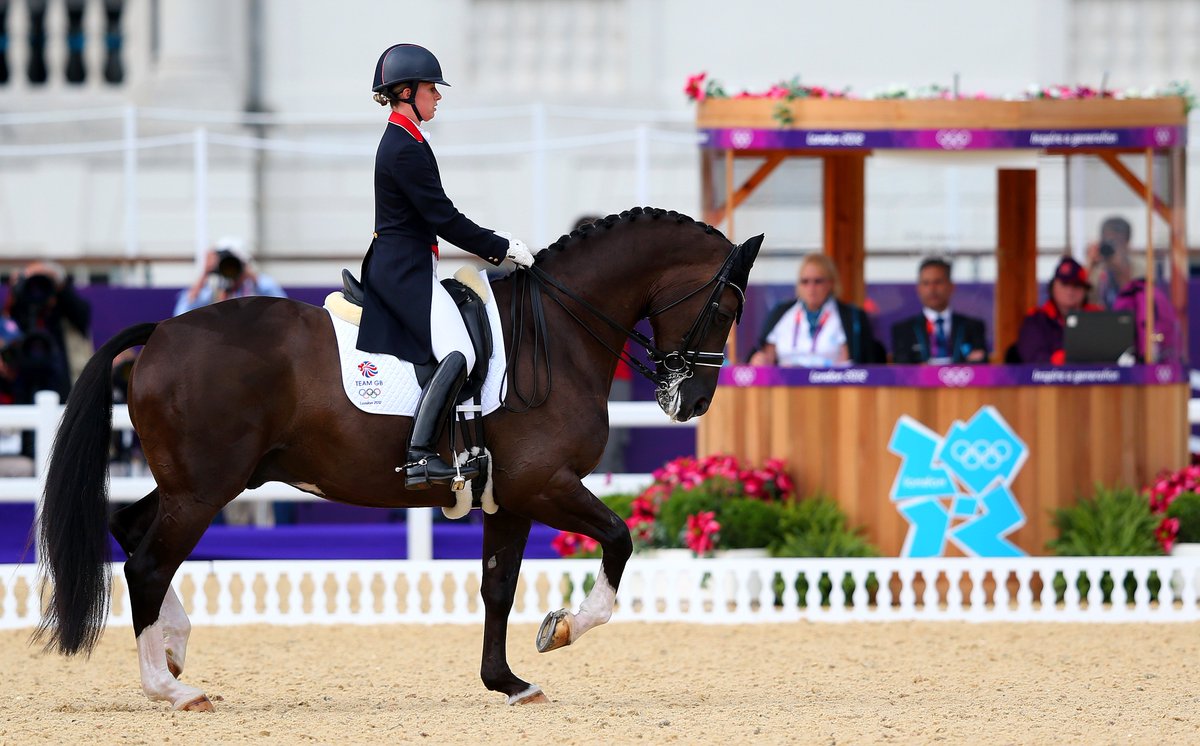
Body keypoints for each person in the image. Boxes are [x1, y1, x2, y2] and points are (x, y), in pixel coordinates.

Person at [358, 43, 533, 489]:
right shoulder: (403, 147)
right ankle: (418, 455)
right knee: (460, 351)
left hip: (409, 264)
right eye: (431, 88)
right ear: (405, 91)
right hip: (402, 271)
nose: (437, 96)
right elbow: (443, 217)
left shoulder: (410, 139)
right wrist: (501, 247)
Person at [747, 253, 880, 367]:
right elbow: (765, 355)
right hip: (785, 390)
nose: (811, 288)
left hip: (834, 391)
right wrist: (759, 360)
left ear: (831, 283)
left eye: (818, 281)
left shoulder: (851, 317)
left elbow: (865, 363)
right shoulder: (781, 313)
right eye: (805, 281)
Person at [891, 257, 988, 364]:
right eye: (926, 283)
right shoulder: (904, 330)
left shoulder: (973, 327)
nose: (932, 289)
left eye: (938, 282)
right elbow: (902, 370)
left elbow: (980, 366)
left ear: (951, 286)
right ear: (918, 288)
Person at [1015, 256, 1102, 365]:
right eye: (1065, 284)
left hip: (1095, 381)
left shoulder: (1098, 318)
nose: (1070, 291)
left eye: (1076, 285)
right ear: (1053, 287)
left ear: (1085, 290)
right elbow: (1033, 358)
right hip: (1049, 381)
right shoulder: (1037, 320)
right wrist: (1064, 359)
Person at [174, 237, 287, 317]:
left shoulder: (258, 285)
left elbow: (284, 310)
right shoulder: (212, 289)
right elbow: (181, 314)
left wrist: (249, 274)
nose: (230, 268)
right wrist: (205, 273)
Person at [1085, 216, 1135, 310]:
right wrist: (1089, 264)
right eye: (1107, 241)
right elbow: (1079, 295)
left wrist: (1119, 268)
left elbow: (1133, 295)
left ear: (1126, 243)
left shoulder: (1138, 268)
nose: (1112, 247)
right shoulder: (1097, 268)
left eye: (1116, 241)